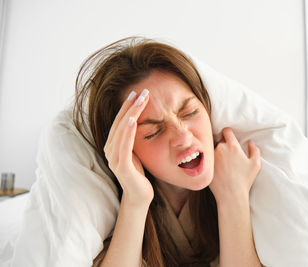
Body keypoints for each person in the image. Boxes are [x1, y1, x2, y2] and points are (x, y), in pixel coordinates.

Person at [73, 36, 262, 267]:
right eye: (153, 131)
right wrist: (135, 199)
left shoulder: (248, 177)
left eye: (190, 112)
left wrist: (233, 198)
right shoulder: (104, 207)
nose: (183, 137)